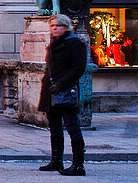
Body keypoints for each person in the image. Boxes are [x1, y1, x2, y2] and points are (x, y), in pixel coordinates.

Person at [38, 14, 88, 176]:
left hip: (65, 90)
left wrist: (61, 84)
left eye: (58, 25)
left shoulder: (75, 43)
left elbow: (79, 68)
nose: (54, 28)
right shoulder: (54, 43)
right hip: (51, 90)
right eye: (52, 26)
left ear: (66, 27)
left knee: (73, 128)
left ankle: (78, 165)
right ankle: (56, 160)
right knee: (54, 128)